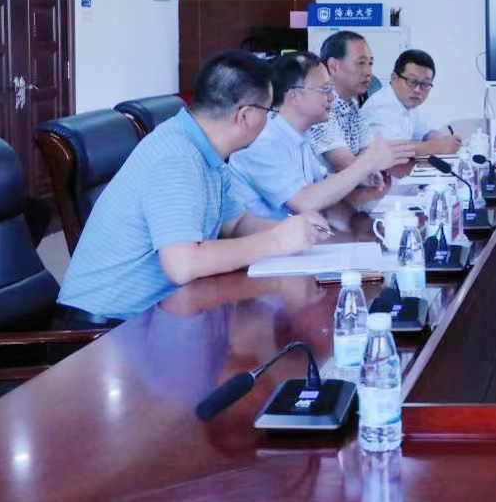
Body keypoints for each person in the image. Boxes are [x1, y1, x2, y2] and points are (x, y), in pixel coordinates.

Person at [57, 51, 330, 323]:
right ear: (245, 116)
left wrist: (296, 231)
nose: (270, 121)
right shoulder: (177, 155)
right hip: (107, 329)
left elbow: (235, 224)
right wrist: (276, 241)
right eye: (269, 112)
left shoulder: (206, 149)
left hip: (160, 314)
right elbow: (183, 265)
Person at [228, 52, 417, 225]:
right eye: (325, 89)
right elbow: (305, 201)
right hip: (263, 246)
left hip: (297, 237)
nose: (332, 98)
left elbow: (319, 181)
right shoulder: (263, 140)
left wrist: (361, 177)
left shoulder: (299, 133)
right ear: (294, 95)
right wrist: (365, 164)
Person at [360, 49, 462, 156]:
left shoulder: (407, 103)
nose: (418, 90)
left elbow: (425, 134)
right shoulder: (380, 106)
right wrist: (440, 146)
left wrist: (446, 139)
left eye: (425, 84)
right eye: (412, 81)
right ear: (394, 78)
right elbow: (396, 150)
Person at [309, 30, 375, 171]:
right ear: (334, 66)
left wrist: (364, 161)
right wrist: (364, 162)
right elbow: (347, 166)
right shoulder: (320, 107)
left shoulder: (352, 104)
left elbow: (371, 150)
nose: (368, 72)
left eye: (370, 63)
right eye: (361, 63)